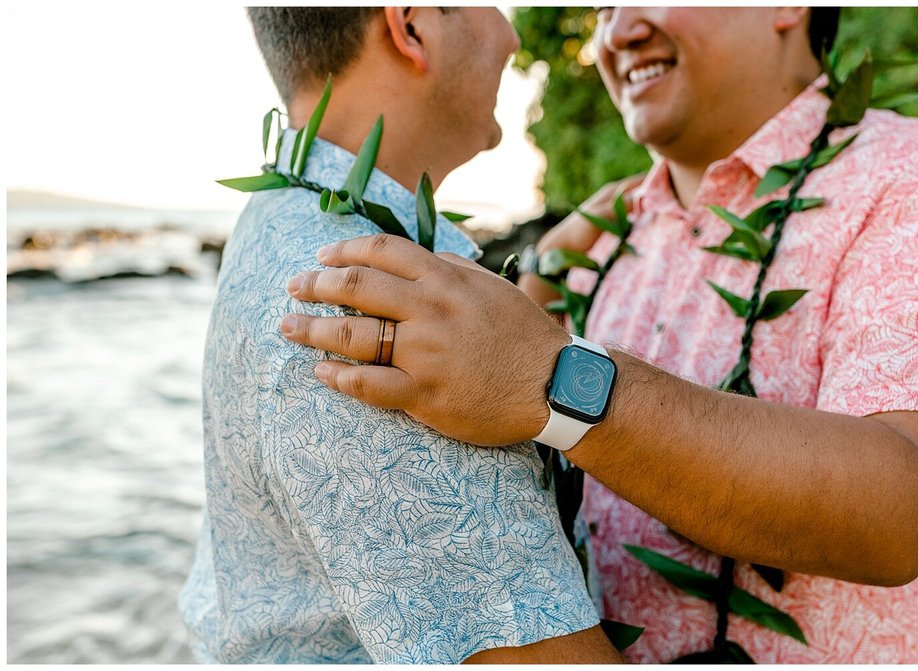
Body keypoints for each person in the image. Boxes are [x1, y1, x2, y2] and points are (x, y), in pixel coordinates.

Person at [279, 7, 918, 663]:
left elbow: (903, 509)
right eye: (604, 7)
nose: (616, 34)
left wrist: (554, 378)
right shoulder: (593, 245)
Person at [179, 7, 622, 664]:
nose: (511, 35)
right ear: (411, 25)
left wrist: (538, 284)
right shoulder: (378, 310)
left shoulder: (276, 221)